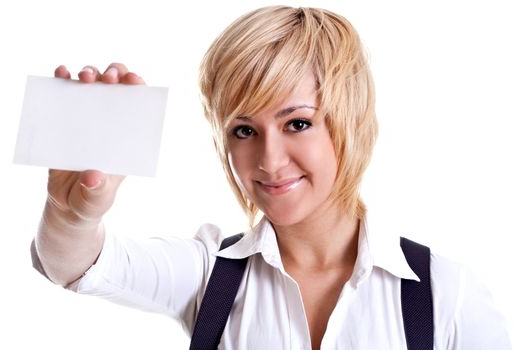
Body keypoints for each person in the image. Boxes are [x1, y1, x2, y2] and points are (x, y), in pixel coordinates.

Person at [32, 5, 511, 349]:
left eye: (297, 123)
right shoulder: (212, 277)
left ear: (350, 121)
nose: (269, 159)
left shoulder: (444, 294)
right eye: (244, 130)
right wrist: (72, 213)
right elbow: (73, 265)